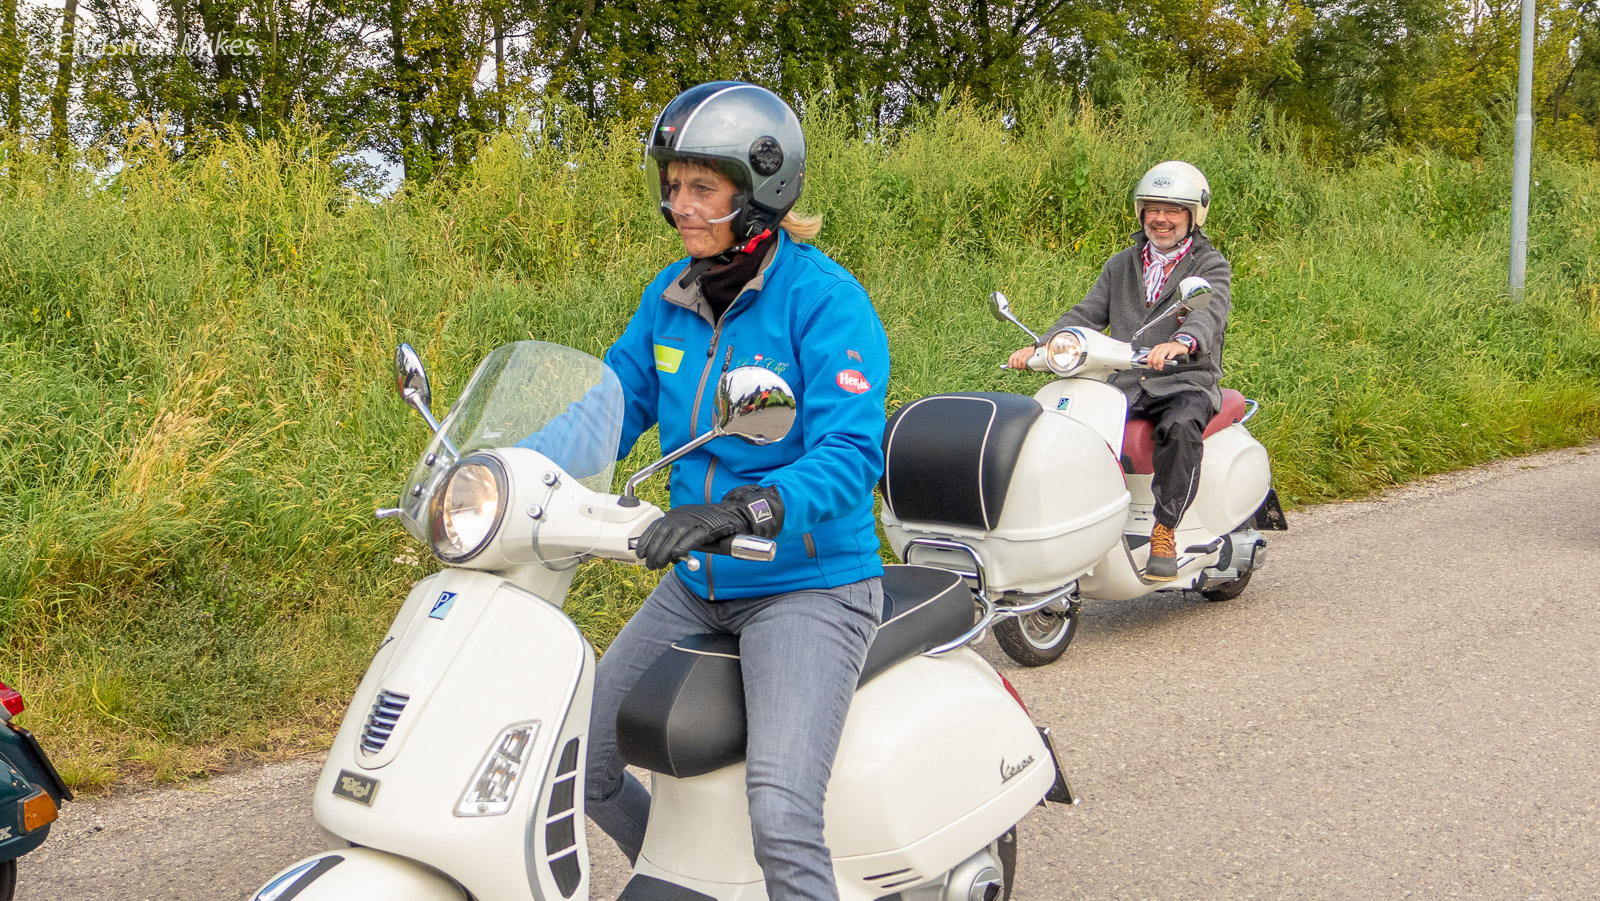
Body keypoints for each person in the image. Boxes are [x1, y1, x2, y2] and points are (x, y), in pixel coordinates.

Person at [583, 81, 891, 901]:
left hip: (807, 584)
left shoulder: (825, 302)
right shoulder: (670, 298)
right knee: (579, 761)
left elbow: (851, 455)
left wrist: (742, 509)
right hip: (698, 582)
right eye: (672, 185)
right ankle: (691, 882)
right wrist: (506, 464)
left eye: (701, 188)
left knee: (781, 814)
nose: (679, 206)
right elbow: (608, 409)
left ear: (759, 192)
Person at [1008, 161, 1232, 580]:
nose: (1161, 219)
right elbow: (1087, 314)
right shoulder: (1122, 264)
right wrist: (1043, 345)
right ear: (1140, 212)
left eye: (1172, 210)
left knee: (1181, 426)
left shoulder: (1209, 264)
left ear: (1192, 215)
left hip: (1183, 379)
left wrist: (1182, 341)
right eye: (1152, 209)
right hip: (1127, 381)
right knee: (1071, 427)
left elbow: (1210, 312)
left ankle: (1165, 530)